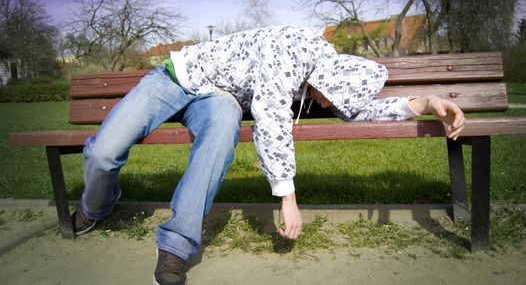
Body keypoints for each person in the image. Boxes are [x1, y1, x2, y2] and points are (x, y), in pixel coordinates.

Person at [71, 26, 465, 285]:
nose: (332, 108)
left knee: (223, 131)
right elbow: (271, 119)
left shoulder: (326, 76)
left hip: (218, 99)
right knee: (104, 153)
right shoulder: (291, 51)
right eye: (334, 101)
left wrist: (428, 102)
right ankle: (95, 206)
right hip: (176, 77)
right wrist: (288, 200)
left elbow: (362, 107)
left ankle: (175, 246)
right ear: (330, 79)